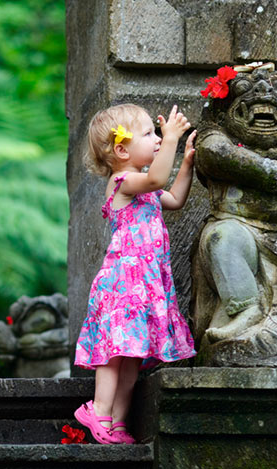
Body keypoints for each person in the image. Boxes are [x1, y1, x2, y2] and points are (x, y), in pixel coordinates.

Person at [73, 104, 197, 444]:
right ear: (121, 150)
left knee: (131, 362)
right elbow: (157, 177)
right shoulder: (123, 181)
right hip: (123, 285)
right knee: (113, 356)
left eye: (158, 134)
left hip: (145, 285)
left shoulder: (147, 189)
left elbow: (173, 197)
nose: (157, 139)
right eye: (149, 134)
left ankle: (117, 422)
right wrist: (172, 138)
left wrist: (185, 163)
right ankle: (97, 411)